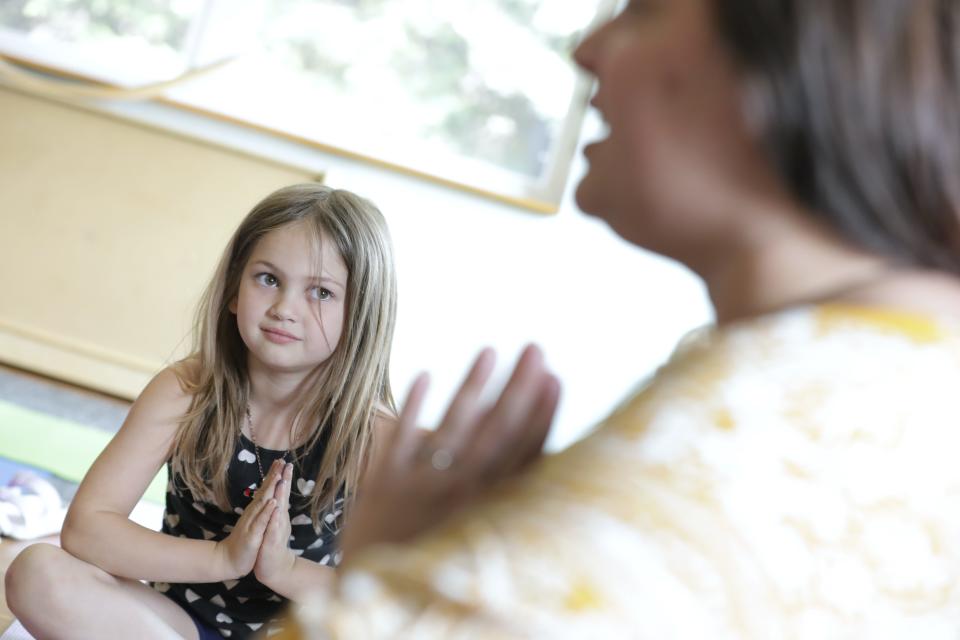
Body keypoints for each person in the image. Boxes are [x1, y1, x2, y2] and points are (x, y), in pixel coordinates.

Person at [278, 0, 960, 638]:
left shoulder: (710, 462)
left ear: (789, 59)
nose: (588, 49)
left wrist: (380, 562)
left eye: (645, 10)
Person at [4, 183, 399, 639]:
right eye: (268, 279)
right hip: (174, 626)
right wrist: (224, 558)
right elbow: (87, 529)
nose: (285, 308)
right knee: (36, 572)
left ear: (361, 314)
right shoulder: (186, 391)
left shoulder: (373, 436)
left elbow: (392, 599)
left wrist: (285, 570)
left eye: (321, 293)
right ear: (234, 290)